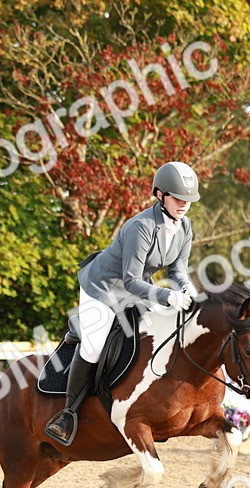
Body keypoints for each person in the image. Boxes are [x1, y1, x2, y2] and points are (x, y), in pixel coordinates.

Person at [44, 161, 201, 446]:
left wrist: (190, 292)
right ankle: (67, 413)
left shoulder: (185, 226)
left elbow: (177, 272)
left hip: (138, 286)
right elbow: (129, 281)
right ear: (160, 195)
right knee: (94, 346)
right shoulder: (140, 227)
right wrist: (167, 296)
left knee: (162, 328)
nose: (184, 205)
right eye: (179, 198)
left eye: (188, 200)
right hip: (102, 287)